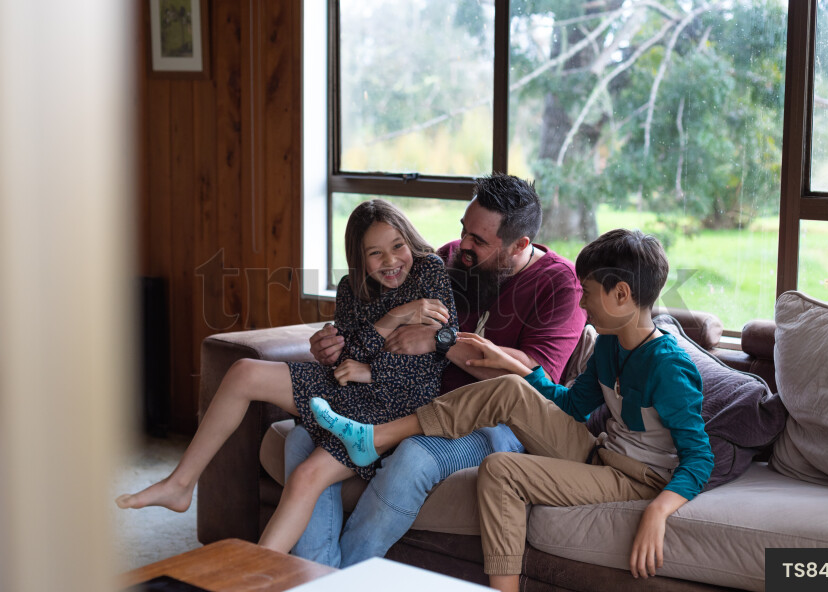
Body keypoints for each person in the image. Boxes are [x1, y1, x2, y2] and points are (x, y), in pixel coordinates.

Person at [311, 228, 715, 591]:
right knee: (506, 387)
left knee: (501, 469)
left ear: (621, 294)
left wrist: (658, 511)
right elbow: (572, 406)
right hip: (599, 452)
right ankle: (376, 437)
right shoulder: (609, 344)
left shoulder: (669, 366)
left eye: (588, 291)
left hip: (636, 479)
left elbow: (699, 458)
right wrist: (516, 367)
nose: (582, 301)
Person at [116, 199, 458, 553]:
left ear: (409, 240)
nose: (390, 261)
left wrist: (371, 370)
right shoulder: (350, 287)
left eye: (397, 246)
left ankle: (258, 575)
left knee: (305, 477)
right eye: (375, 253)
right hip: (348, 388)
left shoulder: (428, 271)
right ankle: (181, 483)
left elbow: (434, 356)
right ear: (359, 259)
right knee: (243, 372)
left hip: (394, 405)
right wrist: (393, 319)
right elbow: (347, 358)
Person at [285, 174, 586, 566]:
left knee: (414, 456)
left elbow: (528, 377)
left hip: (497, 422)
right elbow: (374, 314)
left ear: (520, 246)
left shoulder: (559, 285)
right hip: (418, 400)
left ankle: (341, 580)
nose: (463, 246)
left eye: (479, 241)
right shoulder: (447, 261)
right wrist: (334, 344)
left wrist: (440, 340)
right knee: (300, 438)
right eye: (464, 230)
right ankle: (317, 577)